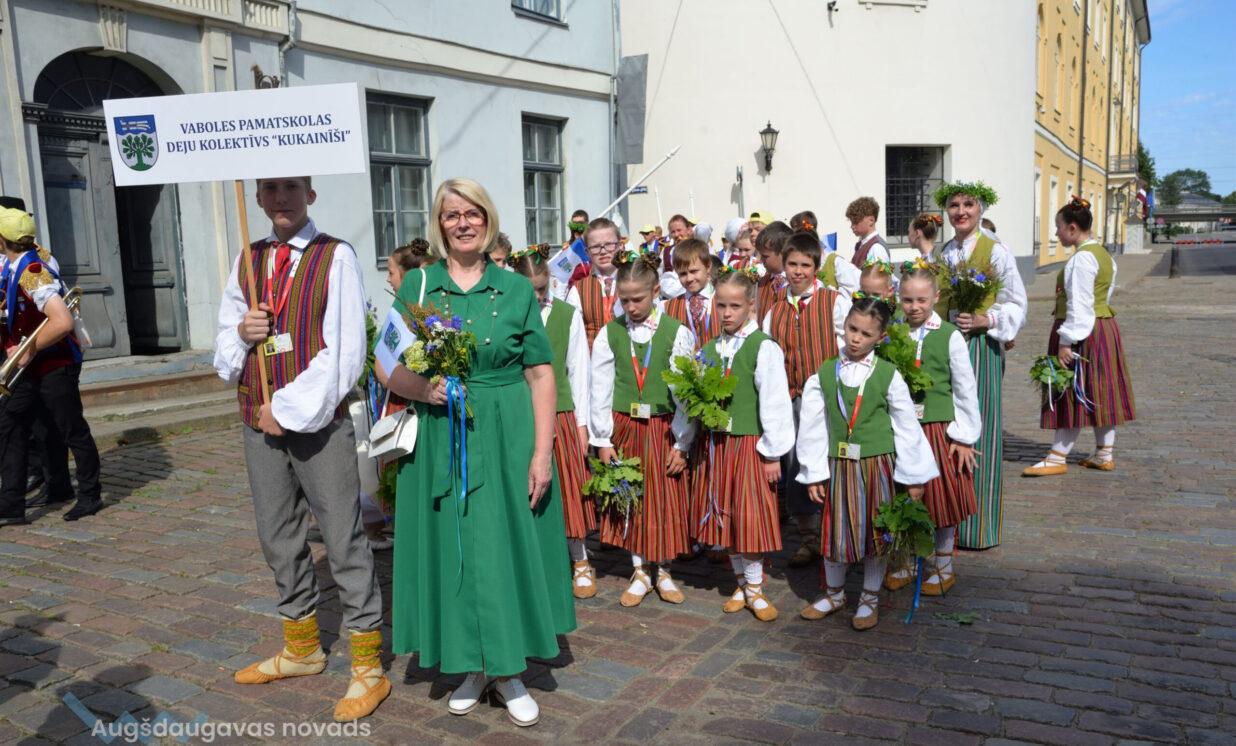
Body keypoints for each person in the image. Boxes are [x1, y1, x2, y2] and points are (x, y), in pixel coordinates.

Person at [377, 178, 574, 728]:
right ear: (439, 224)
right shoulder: (418, 285)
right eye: (451, 215)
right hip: (442, 434)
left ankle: (507, 669)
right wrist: (423, 390)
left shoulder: (514, 288)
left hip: (507, 431)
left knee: (500, 549)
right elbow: (385, 364)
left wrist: (542, 453)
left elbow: (541, 374)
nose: (462, 223)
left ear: (487, 219)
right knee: (455, 549)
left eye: (472, 213)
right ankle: (470, 664)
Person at [214, 176, 386, 721]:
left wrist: (285, 409)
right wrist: (242, 333)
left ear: (310, 194)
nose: (281, 198)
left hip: (316, 422)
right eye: (270, 189)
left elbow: (346, 352)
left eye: (291, 187)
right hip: (257, 420)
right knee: (278, 536)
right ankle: (303, 648)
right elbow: (223, 344)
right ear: (258, 199)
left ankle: (368, 665)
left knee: (342, 537)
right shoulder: (248, 259)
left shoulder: (335, 257)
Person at [795, 297, 938, 629]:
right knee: (835, 531)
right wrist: (814, 473)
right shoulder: (824, 373)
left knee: (877, 532)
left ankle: (869, 597)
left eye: (866, 334)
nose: (856, 339)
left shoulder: (888, 375)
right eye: (852, 329)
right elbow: (813, 427)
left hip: (877, 466)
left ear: (881, 337)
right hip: (838, 466)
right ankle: (835, 593)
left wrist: (914, 476)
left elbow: (906, 426)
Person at [590, 250, 695, 608]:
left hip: (663, 427)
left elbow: (685, 396)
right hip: (624, 427)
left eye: (638, 299)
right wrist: (602, 439)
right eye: (624, 300)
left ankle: (663, 570)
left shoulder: (676, 333)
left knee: (664, 499)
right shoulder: (610, 333)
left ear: (655, 292)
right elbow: (600, 388)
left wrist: (682, 443)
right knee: (629, 495)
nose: (631, 307)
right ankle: (639, 571)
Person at [693, 267, 794, 620]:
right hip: (717, 446)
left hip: (750, 445)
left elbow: (775, 401)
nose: (727, 313)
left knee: (749, 517)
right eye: (721, 305)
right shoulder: (708, 348)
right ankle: (740, 582)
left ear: (751, 305)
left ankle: (754, 588)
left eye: (735, 306)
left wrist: (772, 453)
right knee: (726, 515)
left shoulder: (762, 347)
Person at [932, 181, 1028, 550]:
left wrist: (987, 320)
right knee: (946, 426)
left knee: (979, 428)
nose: (960, 212)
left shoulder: (996, 251)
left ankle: (977, 527)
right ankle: (947, 522)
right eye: (954, 205)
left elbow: (1016, 303)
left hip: (980, 349)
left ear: (980, 209)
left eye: (968, 205)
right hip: (947, 346)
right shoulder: (946, 251)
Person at [0, 208, 101, 526]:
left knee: (72, 429)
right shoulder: (15, 266)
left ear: (2, 241)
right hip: (33, 367)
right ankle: (10, 505)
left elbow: (62, 321)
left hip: (56, 365)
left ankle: (90, 495)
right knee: (9, 423)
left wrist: (27, 349)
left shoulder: (33, 271)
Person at [885, 260, 981, 595]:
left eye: (922, 300)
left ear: (936, 297)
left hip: (937, 429)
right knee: (905, 498)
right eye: (908, 300)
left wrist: (964, 436)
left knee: (940, 500)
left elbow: (965, 388)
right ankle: (909, 561)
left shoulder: (949, 335)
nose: (914, 307)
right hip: (903, 427)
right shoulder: (895, 331)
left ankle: (943, 567)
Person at [1023, 196, 1135, 476]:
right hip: (1102, 329)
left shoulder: (1082, 259)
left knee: (1070, 389)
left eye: (1059, 227)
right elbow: (1102, 296)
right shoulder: (1103, 255)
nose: (1056, 234)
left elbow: (1080, 304)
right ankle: (1103, 453)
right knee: (1101, 389)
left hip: (1084, 333)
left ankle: (1057, 457)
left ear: (1072, 228)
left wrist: (1066, 342)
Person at [509, 244, 596, 598]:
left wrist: (582, 424)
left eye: (542, 288)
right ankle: (538, 562)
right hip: (520, 412)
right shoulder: (506, 314)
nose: (536, 296)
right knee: (526, 487)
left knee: (569, 488)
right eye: (529, 290)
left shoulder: (566, 315)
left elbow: (579, 372)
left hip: (560, 412)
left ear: (550, 281)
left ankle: (580, 559)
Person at [762, 231, 851, 569]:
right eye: (792, 264)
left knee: (830, 460)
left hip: (827, 395)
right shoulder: (774, 310)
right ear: (783, 265)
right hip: (792, 397)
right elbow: (769, 356)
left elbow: (848, 345)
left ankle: (837, 529)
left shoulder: (834, 301)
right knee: (797, 463)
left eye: (805, 265)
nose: (798, 271)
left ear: (816, 267)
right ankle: (808, 537)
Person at [0, 196, 74, 510]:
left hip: (40, 351)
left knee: (48, 424)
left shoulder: (35, 262)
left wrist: (25, 347)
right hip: (15, 345)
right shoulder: (13, 260)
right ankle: (20, 492)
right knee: (17, 419)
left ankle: (54, 481)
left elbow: (58, 317)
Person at [570, 217, 625, 350]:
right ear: (587, 252)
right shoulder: (579, 289)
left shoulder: (636, 281)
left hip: (629, 357)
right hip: (592, 357)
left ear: (620, 246)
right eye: (595, 247)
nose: (603, 251)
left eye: (609, 244)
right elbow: (573, 336)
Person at [664, 238, 722, 350]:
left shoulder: (724, 301)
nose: (689, 278)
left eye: (694, 271)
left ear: (708, 266)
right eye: (682, 274)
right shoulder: (668, 307)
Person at [753, 221, 792, 320]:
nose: (761, 260)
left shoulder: (796, 281)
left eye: (765, 256)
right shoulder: (761, 283)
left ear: (783, 253)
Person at [846, 197, 890, 268]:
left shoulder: (876, 248)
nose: (852, 226)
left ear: (871, 220)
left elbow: (880, 274)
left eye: (856, 222)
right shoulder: (862, 243)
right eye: (852, 222)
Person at [659, 214, 694, 299]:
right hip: (672, 299)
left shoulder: (696, 248)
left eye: (679, 230)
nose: (676, 235)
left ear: (688, 230)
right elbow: (659, 275)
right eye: (673, 232)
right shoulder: (666, 251)